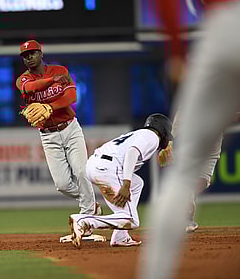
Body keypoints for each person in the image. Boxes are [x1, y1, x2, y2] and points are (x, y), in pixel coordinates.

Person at [139, 0, 240, 279]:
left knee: (183, 176)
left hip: (223, 26)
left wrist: (175, 50)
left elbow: (165, 0)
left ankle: (156, 273)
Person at [15, 40, 103, 243]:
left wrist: (49, 107)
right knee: (62, 184)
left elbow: (71, 96)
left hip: (71, 129)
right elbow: (30, 87)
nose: (29, 57)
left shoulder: (60, 69)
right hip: (48, 135)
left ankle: (87, 219)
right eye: (25, 55)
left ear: (40, 53)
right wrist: (53, 81)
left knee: (81, 172)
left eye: (32, 53)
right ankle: (91, 205)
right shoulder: (22, 79)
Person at [69, 113, 173, 249]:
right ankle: (83, 221)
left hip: (95, 165)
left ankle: (120, 236)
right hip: (108, 167)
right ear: (163, 130)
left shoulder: (141, 134)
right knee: (131, 220)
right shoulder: (152, 136)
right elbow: (132, 152)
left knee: (137, 184)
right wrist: (126, 183)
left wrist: (129, 182)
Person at [158, 110, 223, 233]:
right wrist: (170, 142)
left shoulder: (225, 99)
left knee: (200, 183)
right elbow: (180, 116)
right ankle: (186, 218)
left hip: (212, 146)